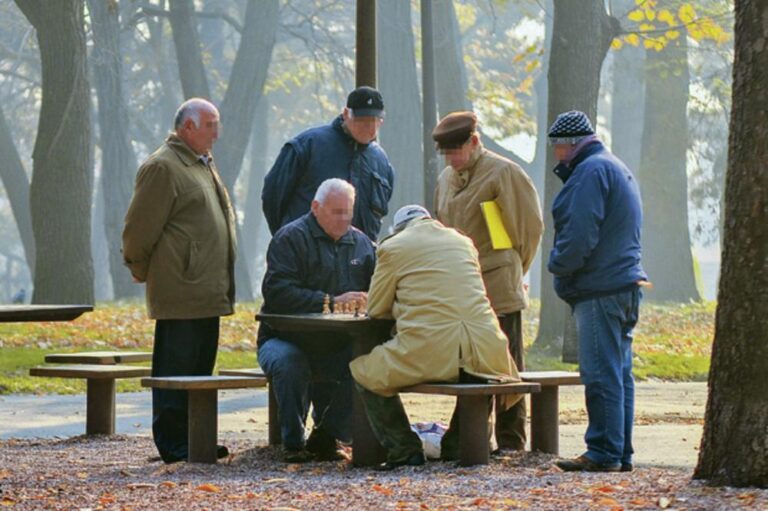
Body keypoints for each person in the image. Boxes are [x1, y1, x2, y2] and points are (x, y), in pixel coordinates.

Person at [350, 205, 520, 470]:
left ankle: (404, 449)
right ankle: (457, 445)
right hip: (486, 345)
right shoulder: (464, 242)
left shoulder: (393, 247)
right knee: (482, 375)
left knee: (364, 372)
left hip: (429, 348)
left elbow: (377, 308)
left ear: (399, 229)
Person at [122, 98, 236, 464]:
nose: (217, 132)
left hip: (206, 290)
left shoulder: (202, 164)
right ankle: (173, 443)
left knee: (199, 371)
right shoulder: (163, 167)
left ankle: (196, 439)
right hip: (181, 289)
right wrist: (138, 267)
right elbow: (139, 229)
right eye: (210, 124)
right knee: (176, 371)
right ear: (187, 127)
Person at [432, 111, 544, 451]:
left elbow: (528, 230)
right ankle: (469, 435)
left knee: (507, 365)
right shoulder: (445, 179)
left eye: (456, 151)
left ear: (474, 142)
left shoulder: (503, 173)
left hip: (498, 284)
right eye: (446, 154)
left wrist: (512, 269)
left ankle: (511, 440)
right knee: (467, 361)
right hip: (463, 287)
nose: (451, 159)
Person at [545, 110, 647, 472]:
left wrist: (557, 264)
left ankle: (603, 450)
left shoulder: (590, 172)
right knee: (619, 372)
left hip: (600, 288)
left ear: (569, 144)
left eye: (557, 147)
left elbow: (580, 234)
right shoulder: (612, 166)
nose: (556, 155)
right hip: (624, 284)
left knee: (600, 372)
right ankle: (621, 451)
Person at [258, 178, 376, 463]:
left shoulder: (361, 244)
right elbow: (277, 293)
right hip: (284, 339)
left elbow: (378, 287)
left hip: (337, 344)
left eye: (348, 211)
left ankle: (328, 433)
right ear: (315, 207)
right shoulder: (289, 239)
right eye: (337, 212)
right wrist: (330, 301)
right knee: (290, 362)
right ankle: (293, 443)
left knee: (373, 359)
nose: (344, 219)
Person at [262, 86, 395, 242]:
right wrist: (288, 243)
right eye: (362, 120)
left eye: (375, 121)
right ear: (346, 114)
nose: (370, 127)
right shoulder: (308, 145)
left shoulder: (381, 162)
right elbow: (273, 196)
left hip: (356, 261)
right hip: (303, 258)